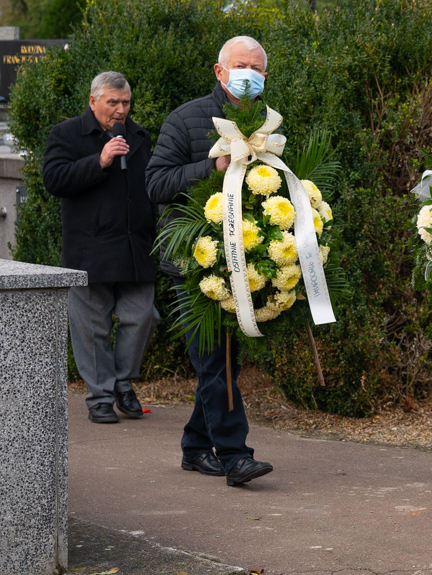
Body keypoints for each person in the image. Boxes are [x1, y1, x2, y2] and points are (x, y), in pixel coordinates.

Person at [146, 36, 273, 487]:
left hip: (247, 261)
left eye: (258, 69)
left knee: (223, 362)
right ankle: (235, 455)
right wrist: (211, 168)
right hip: (195, 263)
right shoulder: (185, 119)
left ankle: (196, 446)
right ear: (219, 72)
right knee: (215, 361)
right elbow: (156, 185)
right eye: (241, 66)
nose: (250, 75)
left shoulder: (267, 122)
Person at [43, 71, 158, 424]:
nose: (121, 109)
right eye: (113, 102)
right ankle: (101, 397)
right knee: (91, 329)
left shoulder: (138, 136)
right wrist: (100, 160)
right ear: (93, 102)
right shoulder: (66, 135)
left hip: (135, 247)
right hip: (90, 250)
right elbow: (55, 180)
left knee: (142, 317)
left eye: (125, 102)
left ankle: (123, 382)